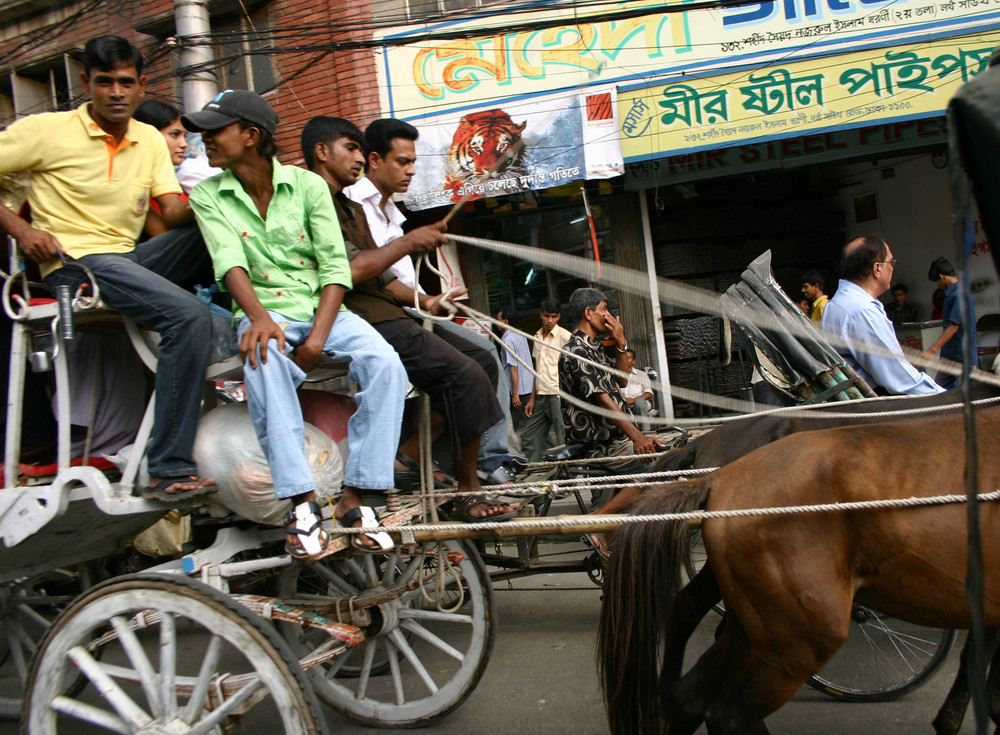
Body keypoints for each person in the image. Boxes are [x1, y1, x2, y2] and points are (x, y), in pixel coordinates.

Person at [185, 92, 409, 557]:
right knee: (262, 358)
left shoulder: (306, 186)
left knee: (387, 365)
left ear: (251, 136)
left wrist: (318, 339)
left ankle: (358, 497)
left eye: (215, 130)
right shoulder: (208, 194)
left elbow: (334, 268)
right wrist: (259, 318)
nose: (205, 138)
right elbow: (229, 261)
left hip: (323, 308)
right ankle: (301, 502)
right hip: (262, 308)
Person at [0, 35, 216, 501]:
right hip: (76, 268)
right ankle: (167, 468)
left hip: (129, 259)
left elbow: (172, 215)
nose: (115, 93)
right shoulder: (46, 131)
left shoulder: (149, 142)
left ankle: (266, 321)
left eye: (125, 83)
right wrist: (22, 230)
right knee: (187, 317)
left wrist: (229, 190)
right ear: (87, 84)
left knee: (216, 233)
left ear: (141, 87)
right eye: (104, 83)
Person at [301, 115, 517, 523]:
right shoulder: (316, 201)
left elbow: (382, 277)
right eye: (351, 149)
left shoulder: (348, 206)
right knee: (464, 375)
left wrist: (427, 300)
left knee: (484, 360)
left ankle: (438, 466)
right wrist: (408, 243)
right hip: (362, 316)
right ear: (321, 151)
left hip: (385, 309)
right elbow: (351, 270)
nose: (358, 158)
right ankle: (466, 487)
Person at [559, 288, 663, 555]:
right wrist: (637, 437)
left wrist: (620, 343)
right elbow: (603, 399)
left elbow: (622, 380)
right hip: (600, 446)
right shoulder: (576, 349)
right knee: (661, 468)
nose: (609, 316)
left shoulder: (593, 346)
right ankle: (598, 521)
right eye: (604, 309)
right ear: (588, 312)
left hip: (615, 441)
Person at [820, 236, 942, 395]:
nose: (892, 267)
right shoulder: (861, 311)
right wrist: (946, 399)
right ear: (877, 268)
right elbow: (900, 379)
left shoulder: (837, 304)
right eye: (891, 262)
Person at [521, 298, 571, 462]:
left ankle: (568, 477)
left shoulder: (565, 337)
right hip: (541, 396)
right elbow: (537, 370)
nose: (550, 321)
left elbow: (574, 368)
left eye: (554, 317)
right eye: (547, 316)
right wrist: (532, 399)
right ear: (541, 315)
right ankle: (532, 474)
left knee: (563, 438)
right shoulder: (536, 337)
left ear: (559, 317)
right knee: (529, 436)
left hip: (558, 395)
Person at [923, 257, 978, 389]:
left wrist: (932, 349)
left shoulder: (959, 295)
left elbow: (953, 327)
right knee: (937, 391)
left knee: (967, 396)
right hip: (950, 356)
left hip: (962, 357)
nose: (937, 285)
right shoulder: (954, 294)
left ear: (942, 277)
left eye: (936, 281)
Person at [497, 307, 534, 430]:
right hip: (528, 387)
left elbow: (514, 367)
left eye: (498, 319)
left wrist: (515, 394)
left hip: (518, 390)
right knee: (532, 422)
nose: (496, 322)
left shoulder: (507, 340)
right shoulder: (520, 335)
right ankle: (548, 447)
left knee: (511, 426)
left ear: (506, 321)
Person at [621, 349, 654, 431]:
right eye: (623, 358)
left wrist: (632, 400)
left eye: (628, 358)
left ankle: (646, 432)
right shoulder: (616, 376)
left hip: (638, 404)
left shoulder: (641, 375)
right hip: (622, 405)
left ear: (633, 361)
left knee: (640, 402)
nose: (625, 360)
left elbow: (648, 393)